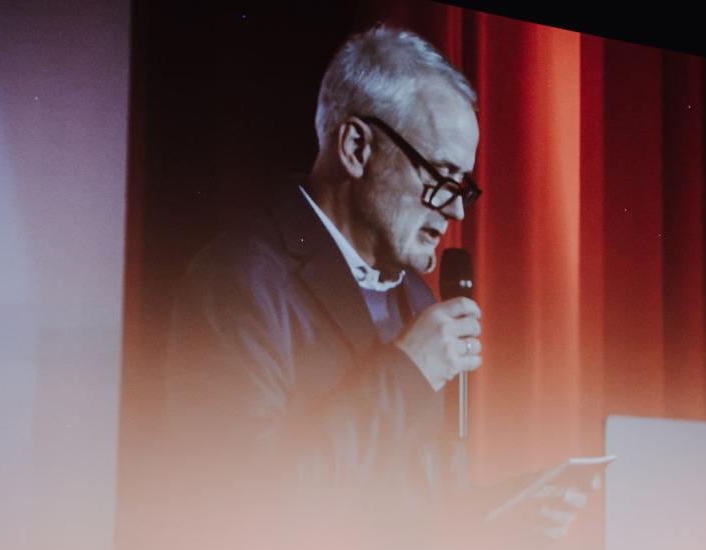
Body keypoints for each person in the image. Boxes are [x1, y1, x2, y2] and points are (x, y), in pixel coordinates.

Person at [166, 25, 484, 496]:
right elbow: (246, 501)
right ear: (356, 148)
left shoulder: (416, 295)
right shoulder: (238, 280)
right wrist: (406, 375)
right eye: (441, 175)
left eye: (463, 185)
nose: (456, 209)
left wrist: (496, 532)